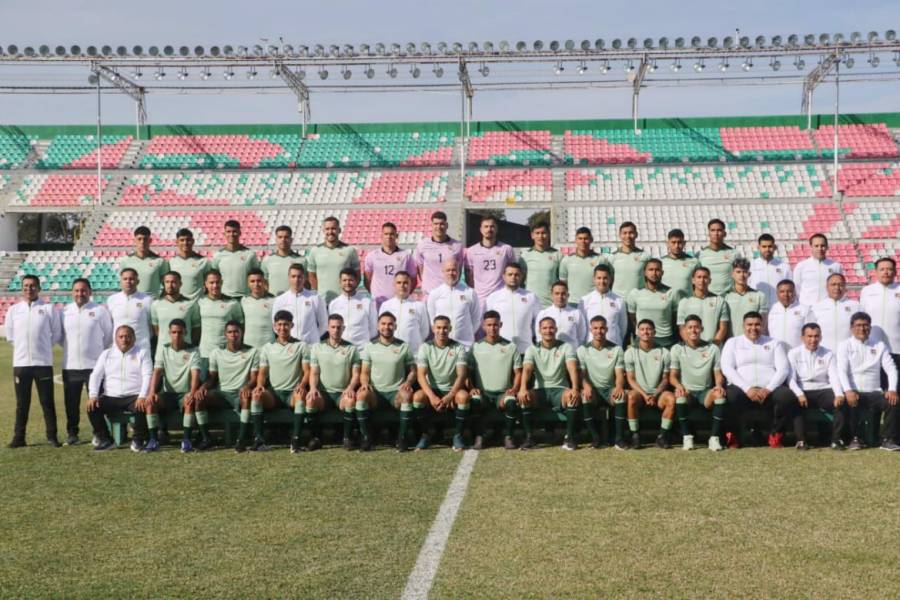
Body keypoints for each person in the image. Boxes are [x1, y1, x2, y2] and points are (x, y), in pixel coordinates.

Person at [721, 311, 797, 449]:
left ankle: (776, 435)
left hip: (768, 389)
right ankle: (734, 436)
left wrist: (768, 389)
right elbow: (727, 368)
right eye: (749, 325)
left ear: (762, 326)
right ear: (743, 326)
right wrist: (747, 388)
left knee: (786, 396)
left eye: (757, 324)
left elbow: (783, 369)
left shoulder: (774, 343)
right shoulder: (733, 342)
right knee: (730, 396)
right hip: (742, 389)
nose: (753, 328)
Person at [4, 274, 62, 448]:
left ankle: (52, 436)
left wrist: (43, 347)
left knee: (47, 402)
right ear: (22, 288)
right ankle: (19, 437)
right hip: (21, 365)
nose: (29, 289)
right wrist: (23, 350)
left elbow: (56, 333)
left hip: (43, 363)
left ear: (38, 288)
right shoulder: (14, 310)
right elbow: (10, 336)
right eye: (26, 286)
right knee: (22, 403)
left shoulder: (49, 309)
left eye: (32, 286)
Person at [59, 278, 113, 445]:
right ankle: (72, 434)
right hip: (71, 366)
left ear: (90, 292)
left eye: (83, 290)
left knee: (95, 401)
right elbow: (60, 338)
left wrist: (96, 353)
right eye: (76, 290)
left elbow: (109, 335)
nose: (79, 294)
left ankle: (100, 433)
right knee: (71, 404)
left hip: (94, 366)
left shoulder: (100, 311)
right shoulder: (64, 311)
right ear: (72, 292)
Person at [836, 312, 900, 451]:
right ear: (851, 328)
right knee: (851, 401)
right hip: (854, 390)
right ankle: (855, 438)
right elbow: (841, 371)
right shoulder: (844, 345)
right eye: (858, 325)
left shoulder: (879, 345)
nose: (862, 329)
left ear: (870, 328)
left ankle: (887, 439)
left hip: (874, 391)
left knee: (893, 401)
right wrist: (847, 390)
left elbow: (891, 369)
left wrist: (892, 389)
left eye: (866, 325)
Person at [86, 325, 153, 452]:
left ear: (133, 338)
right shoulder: (106, 354)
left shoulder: (142, 353)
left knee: (142, 406)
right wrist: (93, 395)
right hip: (111, 396)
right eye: (121, 336)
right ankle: (106, 440)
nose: (124, 339)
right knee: (92, 407)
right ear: (116, 339)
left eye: (128, 336)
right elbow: (95, 375)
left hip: (134, 395)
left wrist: (142, 396)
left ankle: (138, 440)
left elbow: (147, 375)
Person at [519, 317, 581, 450]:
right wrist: (523, 388)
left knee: (572, 396)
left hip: (560, 390)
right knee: (524, 397)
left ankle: (569, 438)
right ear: (539, 330)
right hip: (540, 390)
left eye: (551, 327)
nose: (548, 331)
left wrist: (575, 388)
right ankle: (529, 438)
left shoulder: (565, 346)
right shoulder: (532, 349)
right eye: (545, 328)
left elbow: (572, 368)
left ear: (556, 329)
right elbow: (527, 369)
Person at [358, 312, 417, 451]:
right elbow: (364, 372)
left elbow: (413, 371)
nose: (387, 327)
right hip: (376, 393)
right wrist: (365, 383)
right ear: (378, 326)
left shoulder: (403, 346)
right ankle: (367, 438)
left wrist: (408, 382)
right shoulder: (370, 346)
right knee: (361, 396)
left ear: (395, 326)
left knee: (407, 395)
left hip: (395, 393)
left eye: (390, 324)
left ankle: (402, 438)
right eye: (383, 324)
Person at [201, 321, 262, 453]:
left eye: (236, 332)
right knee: (200, 398)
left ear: (241, 333)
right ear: (225, 334)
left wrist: (247, 387)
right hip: (222, 394)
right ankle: (206, 439)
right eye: (230, 332)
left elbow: (254, 378)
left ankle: (241, 439)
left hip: (240, 393)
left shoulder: (252, 352)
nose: (233, 335)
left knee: (246, 397)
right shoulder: (216, 352)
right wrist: (202, 388)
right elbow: (212, 378)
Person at [669, 315, 727, 451]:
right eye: (690, 327)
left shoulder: (712, 348)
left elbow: (718, 374)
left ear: (702, 329)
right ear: (684, 330)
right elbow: (673, 376)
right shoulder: (677, 349)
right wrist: (679, 386)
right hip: (687, 391)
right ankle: (687, 437)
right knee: (680, 397)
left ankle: (714, 438)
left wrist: (718, 386)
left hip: (705, 392)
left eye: (696, 327)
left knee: (719, 395)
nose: (693, 330)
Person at [467, 311, 524, 450]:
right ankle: (479, 436)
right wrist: (471, 387)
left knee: (511, 401)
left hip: (502, 394)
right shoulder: (475, 347)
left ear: (501, 325)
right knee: (474, 400)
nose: (493, 328)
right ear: (483, 326)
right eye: (489, 325)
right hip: (483, 393)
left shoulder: (510, 347)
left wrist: (514, 389)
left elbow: (518, 372)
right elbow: (467, 373)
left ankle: (508, 436)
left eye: (496, 325)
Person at [257, 310, 311, 454]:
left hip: (292, 394)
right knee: (257, 395)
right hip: (274, 394)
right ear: (274, 326)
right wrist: (260, 386)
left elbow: (307, 371)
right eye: (279, 325)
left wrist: (302, 385)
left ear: (291, 325)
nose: (282, 328)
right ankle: (259, 440)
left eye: (286, 325)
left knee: (300, 397)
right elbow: (262, 372)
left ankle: (296, 440)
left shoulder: (301, 346)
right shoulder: (267, 348)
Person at [414, 316, 471, 451]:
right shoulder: (425, 347)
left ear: (450, 329)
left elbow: (461, 375)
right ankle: (426, 434)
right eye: (438, 327)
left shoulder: (459, 347)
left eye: (445, 327)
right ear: (433, 329)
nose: (442, 331)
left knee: (463, 397)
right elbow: (421, 376)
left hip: (453, 390)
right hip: (433, 390)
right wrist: (432, 397)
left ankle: (457, 436)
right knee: (417, 397)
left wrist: (450, 396)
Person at [146, 319, 203, 452]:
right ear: (169, 333)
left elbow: (195, 374)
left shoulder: (194, 350)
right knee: (150, 402)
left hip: (185, 393)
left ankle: (187, 440)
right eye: (174, 332)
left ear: (185, 332)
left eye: (180, 332)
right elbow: (157, 372)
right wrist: (152, 391)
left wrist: (192, 392)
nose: (177, 335)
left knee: (189, 402)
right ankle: (153, 440)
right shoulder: (163, 349)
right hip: (168, 395)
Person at [787, 323, 846, 450]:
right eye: (809, 336)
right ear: (802, 338)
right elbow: (790, 379)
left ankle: (836, 440)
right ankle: (801, 441)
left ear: (821, 337)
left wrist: (839, 394)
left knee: (840, 403)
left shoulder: (828, 353)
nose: (813, 340)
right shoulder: (793, 353)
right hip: (803, 389)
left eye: (816, 336)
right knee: (794, 402)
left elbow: (834, 376)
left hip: (823, 389)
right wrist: (799, 393)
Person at [307, 314, 361, 451]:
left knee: (350, 400)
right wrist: (313, 388)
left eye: (339, 327)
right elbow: (314, 372)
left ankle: (347, 438)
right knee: (310, 400)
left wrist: (350, 388)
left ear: (343, 328)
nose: (336, 330)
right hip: (324, 393)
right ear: (328, 328)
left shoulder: (351, 349)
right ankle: (315, 438)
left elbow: (356, 374)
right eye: (333, 327)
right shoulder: (317, 347)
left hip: (342, 394)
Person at [624, 320, 676, 449]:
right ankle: (635, 435)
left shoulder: (664, 352)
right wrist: (645, 395)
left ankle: (662, 436)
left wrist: (654, 394)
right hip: (640, 393)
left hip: (658, 393)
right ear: (637, 332)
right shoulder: (630, 352)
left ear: (654, 332)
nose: (645, 332)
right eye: (642, 329)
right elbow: (630, 379)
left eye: (649, 329)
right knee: (631, 397)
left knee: (671, 398)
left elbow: (665, 379)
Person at [578, 315, 626, 449]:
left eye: (602, 328)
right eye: (595, 328)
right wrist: (586, 386)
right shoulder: (582, 349)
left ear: (607, 329)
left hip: (609, 389)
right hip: (593, 390)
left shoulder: (616, 349)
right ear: (590, 329)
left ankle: (619, 439)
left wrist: (618, 386)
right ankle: (595, 438)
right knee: (584, 396)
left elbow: (619, 373)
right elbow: (581, 374)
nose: (599, 331)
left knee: (621, 396)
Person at [859, 257, 899, 390]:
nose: (886, 272)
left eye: (889, 269)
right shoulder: (867, 291)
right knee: (874, 388)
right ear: (876, 272)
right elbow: (861, 318)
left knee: (895, 388)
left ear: (895, 272)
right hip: (871, 347)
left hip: (896, 348)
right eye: (882, 269)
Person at [627, 258, 684, 348]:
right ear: (645, 272)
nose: (654, 273)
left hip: (666, 340)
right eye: (651, 270)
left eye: (657, 270)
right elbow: (632, 319)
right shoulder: (635, 293)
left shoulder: (672, 293)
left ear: (662, 272)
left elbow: (676, 318)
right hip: (643, 339)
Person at [485, 263, 541, 354]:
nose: (513, 277)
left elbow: (539, 322)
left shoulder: (531, 297)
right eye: (510, 274)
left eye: (517, 275)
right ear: (503, 276)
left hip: (525, 350)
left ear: (522, 277)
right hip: (501, 350)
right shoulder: (493, 298)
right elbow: (487, 324)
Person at [426, 258, 481, 347]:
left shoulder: (470, 292)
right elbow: (433, 319)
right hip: (443, 346)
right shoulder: (435, 294)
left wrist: (465, 333)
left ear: (459, 272)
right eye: (448, 270)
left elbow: (476, 319)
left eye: (454, 270)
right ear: (442, 271)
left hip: (465, 345)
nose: (451, 273)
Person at [306, 216, 361, 306]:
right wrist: (321, 292)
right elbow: (311, 277)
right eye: (327, 229)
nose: (330, 232)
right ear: (323, 231)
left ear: (339, 230)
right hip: (323, 302)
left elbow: (357, 276)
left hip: (345, 301)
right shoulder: (315, 251)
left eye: (333, 228)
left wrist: (348, 292)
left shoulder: (350, 250)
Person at [272, 263, 327, 346]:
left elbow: (324, 323)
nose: (296, 280)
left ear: (304, 278)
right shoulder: (280, 300)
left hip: (310, 347)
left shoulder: (315, 297)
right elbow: (275, 326)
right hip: (289, 347)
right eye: (293, 276)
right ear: (289, 278)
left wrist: (313, 338)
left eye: (299, 276)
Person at [464, 214, 517, 303]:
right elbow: (469, 277)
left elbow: (513, 272)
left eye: (492, 226)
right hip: (480, 299)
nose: (489, 229)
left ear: (497, 229)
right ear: (481, 230)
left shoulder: (506, 249)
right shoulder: (471, 251)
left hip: (502, 298)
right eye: (486, 226)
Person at [364, 221, 417, 308]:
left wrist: (405, 295)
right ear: (381, 236)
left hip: (399, 302)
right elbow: (367, 279)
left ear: (396, 236)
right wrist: (374, 294)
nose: (389, 236)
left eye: (392, 234)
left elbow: (414, 280)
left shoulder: (406, 255)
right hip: (378, 302)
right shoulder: (372, 256)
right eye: (386, 234)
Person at [414, 210, 465, 296]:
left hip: (449, 293)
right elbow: (420, 269)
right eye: (436, 224)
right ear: (432, 225)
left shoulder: (457, 246)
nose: (439, 226)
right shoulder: (422, 245)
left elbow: (458, 270)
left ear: (447, 225)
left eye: (442, 224)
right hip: (429, 293)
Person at [379, 271, 430, 355]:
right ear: (394, 284)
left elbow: (424, 331)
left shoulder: (419, 306)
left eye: (405, 283)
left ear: (410, 285)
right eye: (399, 283)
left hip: (412, 354)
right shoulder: (386, 305)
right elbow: (381, 329)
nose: (402, 286)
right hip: (390, 354)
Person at [197, 269, 243, 360]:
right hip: (205, 352)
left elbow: (240, 327)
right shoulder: (200, 302)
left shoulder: (232, 303)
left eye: (217, 282)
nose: (215, 285)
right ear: (205, 284)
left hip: (226, 352)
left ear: (221, 283)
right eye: (211, 282)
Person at [676, 266, 729, 346]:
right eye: (699, 277)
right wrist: (692, 346)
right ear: (693, 280)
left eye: (705, 277)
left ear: (710, 280)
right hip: (692, 348)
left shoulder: (719, 301)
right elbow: (682, 328)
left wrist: (713, 347)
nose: (702, 280)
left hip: (713, 347)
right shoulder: (684, 302)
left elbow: (723, 328)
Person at [809, 273, 861, 352]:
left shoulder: (856, 306)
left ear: (844, 287)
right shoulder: (816, 307)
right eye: (833, 284)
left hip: (850, 352)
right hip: (824, 354)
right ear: (827, 287)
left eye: (840, 285)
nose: (837, 287)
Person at [329, 268, 378, 350]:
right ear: (340, 282)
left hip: (361, 350)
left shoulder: (367, 302)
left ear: (356, 281)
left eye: (350, 280)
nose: (347, 283)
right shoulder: (334, 304)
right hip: (341, 350)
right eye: (344, 280)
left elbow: (373, 328)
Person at [578, 264, 627, 347]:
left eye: (605, 278)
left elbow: (623, 326)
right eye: (599, 278)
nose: (602, 281)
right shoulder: (585, 300)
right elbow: (581, 327)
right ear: (594, 279)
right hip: (591, 346)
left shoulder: (619, 300)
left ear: (610, 280)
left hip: (613, 346)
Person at [106, 267, 153, 353]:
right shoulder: (112, 300)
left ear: (137, 281)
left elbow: (152, 325)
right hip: (118, 349)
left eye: (131, 279)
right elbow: (109, 325)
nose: (128, 281)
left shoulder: (147, 300)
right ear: (120, 281)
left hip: (141, 349)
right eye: (125, 279)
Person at [559, 226, 609, 305]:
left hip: (594, 302)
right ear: (575, 240)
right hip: (573, 303)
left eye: (586, 238)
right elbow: (563, 283)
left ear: (591, 240)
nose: (583, 241)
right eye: (580, 238)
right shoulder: (566, 260)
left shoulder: (600, 259)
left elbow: (608, 281)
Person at [211, 219, 260, 298]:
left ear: (240, 233)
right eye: (228, 231)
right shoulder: (218, 255)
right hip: (225, 298)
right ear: (224, 233)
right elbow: (213, 278)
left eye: (234, 231)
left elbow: (257, 277)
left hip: (245, 297)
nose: (232, 234)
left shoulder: (250, 254)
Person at [793, 233, 843, 308]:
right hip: (807, 309)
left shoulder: (835, 266)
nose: (820, 248)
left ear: (827, 247)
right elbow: (796, 289)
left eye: (822, 246)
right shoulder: (801, 266)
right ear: (811, 247)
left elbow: (840, 287)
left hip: (828, 308)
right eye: (816, 246)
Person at [150, 271, 200, 345]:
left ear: (180, 284)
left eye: (174, 282)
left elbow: (196, 329)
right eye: (167, 282)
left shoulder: (191, 304)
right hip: (163, 352)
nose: (170, 285)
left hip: (184, 351)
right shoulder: (156, 304)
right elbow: (156, 329)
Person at [520, 221, 562, 307]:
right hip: (529, 304)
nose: (540, 236)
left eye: (543, 233)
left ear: (549, 234)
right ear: (532, 235)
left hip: (551, 305)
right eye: (537, 233)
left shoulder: (558, 255)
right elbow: (520, 282)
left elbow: (562, 281)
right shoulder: (524, 256)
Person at [119, 226, 169, 298]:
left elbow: (167, 285)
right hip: (132, 304)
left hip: (151, 305)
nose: (142, 242)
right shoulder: (125, 261)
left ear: (150, 240)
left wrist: (159, 301)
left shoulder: (160, 261)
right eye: (139, 239)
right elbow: (122, 284)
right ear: (135, 240)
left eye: (145, 239)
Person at [723, 258, 769, 336]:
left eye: (744, 272)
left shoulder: (760, 296)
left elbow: (763, 324)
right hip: (731, 342)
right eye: (738, 272)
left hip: (752, 342)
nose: (742, 275)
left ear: (749, 274)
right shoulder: (725, 296)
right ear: (732, 274)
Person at [536, 281, 587, 350]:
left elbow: (581, 337)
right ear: (552, 295)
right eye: (557, 293)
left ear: (568, 295)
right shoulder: (543, 313)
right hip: (550, 354)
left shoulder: (576, 313)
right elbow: (539, 336)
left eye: (563, 294)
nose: (560, 296)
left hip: (571, 355)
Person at [749, 234, 792, 309]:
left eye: (770, 246)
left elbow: (791, 288)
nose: (767, 249)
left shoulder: (784, 266)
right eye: (764, 247)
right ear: (758, 247)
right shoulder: (751, 266)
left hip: (778, 309)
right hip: (757, 309)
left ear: (775, 247)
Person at [698, 218, 740, 296]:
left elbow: (739, 278)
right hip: (706, 298)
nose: (716, 233)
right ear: (709, 233)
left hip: (728, 298)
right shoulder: (700, 254)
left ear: (724, 233)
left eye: (719, 230)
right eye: (713, 230)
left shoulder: (734, 254)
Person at [261, 225, 305, 296]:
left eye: (286, 237)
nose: (283, 240)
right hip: (274, 301)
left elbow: (306, 283)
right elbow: (264, 282)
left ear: (291, 240)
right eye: (280, 237)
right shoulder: (267, 260)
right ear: (276, 239)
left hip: (295, 301)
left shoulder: (301, 260)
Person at [609, 221, 650, 298]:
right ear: (620, 235)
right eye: (624, 233)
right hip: (618, 301)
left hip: (638, 300)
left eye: (631, 233)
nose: (628, 236)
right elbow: (609, 281)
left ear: (636, 234)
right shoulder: (612, 257)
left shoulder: (645, 256)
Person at [169, 228, 211, 300]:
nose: (185, 243)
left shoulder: (203, 262)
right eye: (182, 240)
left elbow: (209, 285)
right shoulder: (171, 262)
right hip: (177, 304)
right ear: (177, 242)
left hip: (197, 306)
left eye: (188, 240)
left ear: (193, 241)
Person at [767, 280, 810, 350]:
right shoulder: (772, 309)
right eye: (782, 292)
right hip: (776, 353)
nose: (786, 294)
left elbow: (810, 334)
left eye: (789, 291)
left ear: (794, 293)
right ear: (777, 294)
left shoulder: (805, 309)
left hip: (797, 354)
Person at [240, 269, 275, 349]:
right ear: (248, 284)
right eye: (252, 281)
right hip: (249, 347)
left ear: (264, 282)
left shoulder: (273, 300)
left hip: (269, 346)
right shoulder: (243, 300)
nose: (256, 284)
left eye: (259, 281)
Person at [660, 228, 699, 297]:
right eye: (673, 242)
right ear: (667, 243)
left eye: (679, 242)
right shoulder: (660, 262)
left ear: (684, 243)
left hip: (686, 304)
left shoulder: (694, 262)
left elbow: (699, 285)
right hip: (667, 305)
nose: (676, 246)